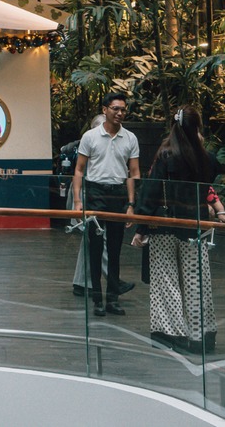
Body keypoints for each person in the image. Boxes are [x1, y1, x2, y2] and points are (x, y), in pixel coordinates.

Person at [135, 104, 225, 351]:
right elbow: (207, 185)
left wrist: (141, 227)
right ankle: (202, 335)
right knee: (197, 280)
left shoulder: (166, 155)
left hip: (164, 224)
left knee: (166, 280)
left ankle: (171, 333)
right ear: (197, 128)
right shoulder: (206, 158)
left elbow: (151, 191)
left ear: (174, 127)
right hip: (195, 224)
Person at [70, 92, 140, 316]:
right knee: (96, 247)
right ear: (105, 110)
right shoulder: (90, 136)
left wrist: (131, 204)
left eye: (123, 109)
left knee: (115, 249)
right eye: (115, 108)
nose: (119, 113)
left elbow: (134, 172)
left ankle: (112, 299)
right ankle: (97, 299)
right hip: (96, 192)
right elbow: (79, 169)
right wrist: (78, 201)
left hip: (118, 194)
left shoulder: (130, 138)